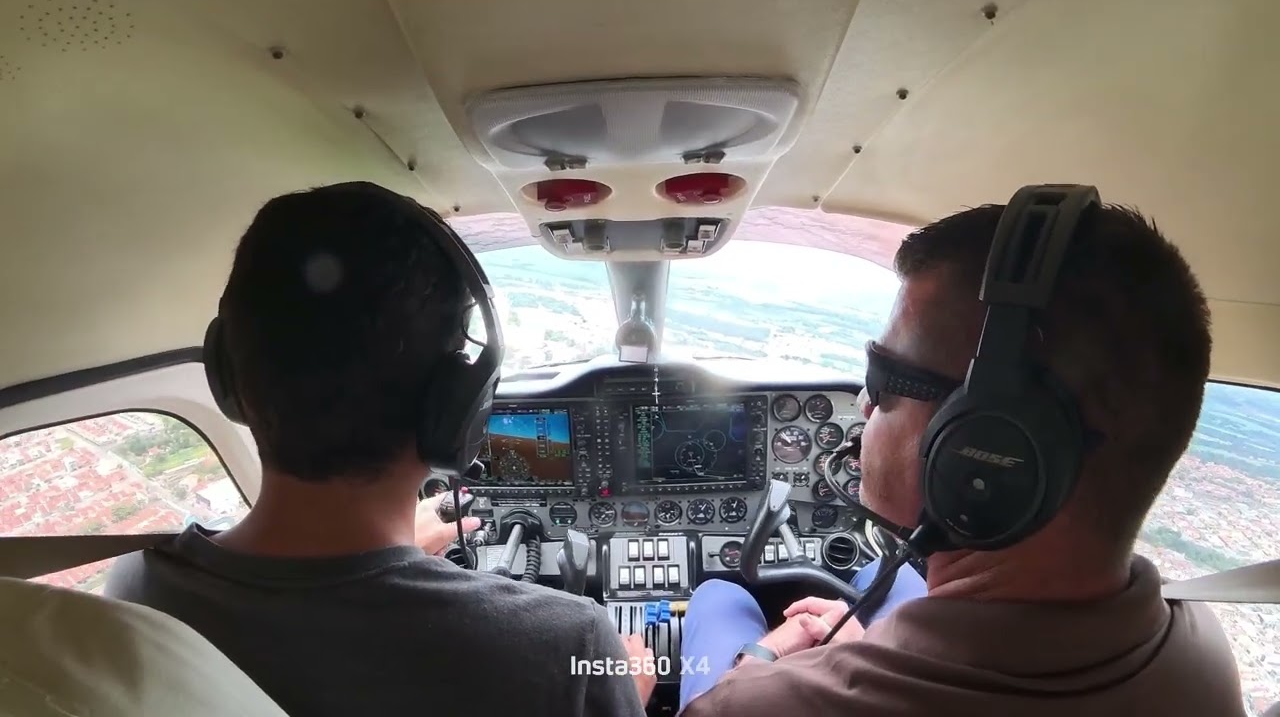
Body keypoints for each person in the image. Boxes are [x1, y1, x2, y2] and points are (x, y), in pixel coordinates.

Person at [679, 201, 1247, 716]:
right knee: (884, 572)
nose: (862, 402)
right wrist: (866, 649)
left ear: (988, 450)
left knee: (719, 597)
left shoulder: (754, 708)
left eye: (883, 378)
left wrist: (761, 662)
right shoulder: (1202, 644)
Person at [105, 182, 651, 717]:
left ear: (228, 378)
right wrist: (633, 690)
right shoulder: (568, 645)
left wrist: (395, 551)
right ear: (457, 410)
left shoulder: (137, 591)